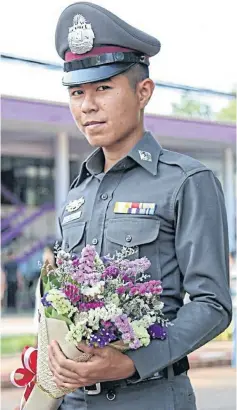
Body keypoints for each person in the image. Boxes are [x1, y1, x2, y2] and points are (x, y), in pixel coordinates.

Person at [48, 3, 232, 410]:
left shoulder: (186, 181)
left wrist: (131, 362)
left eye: (104, 88)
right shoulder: (78, 194)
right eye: (77, 92)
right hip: (74, 402)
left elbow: (212, 304)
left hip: (148, 397)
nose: (87, 105)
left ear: (143, 92)